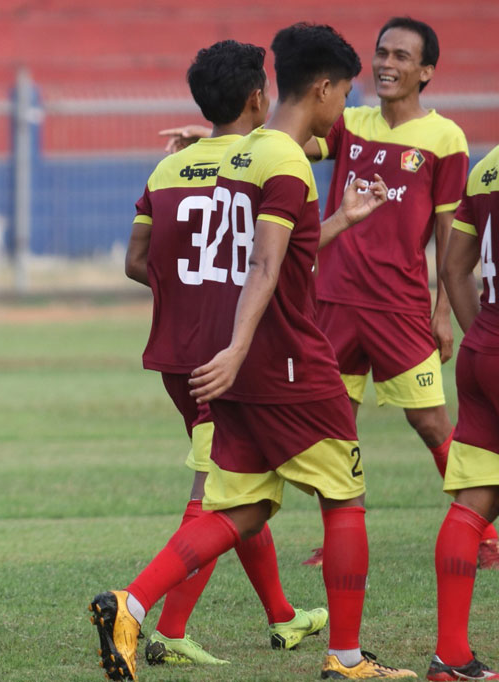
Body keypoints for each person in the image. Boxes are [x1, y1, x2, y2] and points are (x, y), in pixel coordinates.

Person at [90, 23, 415, 681]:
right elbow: (263, 266)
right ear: (314, 88)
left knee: (239, 506)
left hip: (210, 358)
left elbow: (191, 257)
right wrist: (239, 345)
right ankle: (348, 659)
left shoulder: (212, 160)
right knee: (344, 499)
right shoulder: (280, 159)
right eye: (343, 93)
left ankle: (135, 603)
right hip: (282, 356)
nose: (343, 110)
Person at [123, 39, 326, 667]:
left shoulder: (166, 169)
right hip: (233, 355)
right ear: (258, 97)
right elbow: (270, 256)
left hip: (175, 355)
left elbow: (136, 261)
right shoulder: (264, 162)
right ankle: (167, 626)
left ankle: (284, 616)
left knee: (241, 482)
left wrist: (184, 285)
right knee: (218, 493)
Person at [303, 16, 498, 568]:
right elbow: (289, 140)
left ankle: (481, 533)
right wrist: (222, 139)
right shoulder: (350, 122)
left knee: (432, 420)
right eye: (381, 53)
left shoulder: (445, 137)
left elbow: (448, 235)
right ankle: (337, 535)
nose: (386, 64)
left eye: (401, 56)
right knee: (334, 421)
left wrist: (442, 311)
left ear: (426, 71)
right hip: (334, 303)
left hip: (400, 308)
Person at [427, 146, 499, 681]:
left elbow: (454, 267)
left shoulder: (487, 165)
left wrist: (482, 340)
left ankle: (450, 657)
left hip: (482, 352)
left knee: (474, 506)